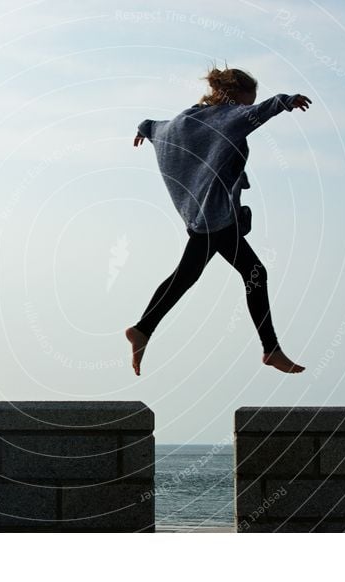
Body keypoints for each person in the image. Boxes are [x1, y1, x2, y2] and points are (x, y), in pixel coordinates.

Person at [125, 64, 311, 375]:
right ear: (231, 96)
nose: (247, 111)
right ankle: (271, 350)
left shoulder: (188, 120)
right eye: (245, 103)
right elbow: (261, 112)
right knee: (254, 272)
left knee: (186, 276)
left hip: (200, 214)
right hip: (216, 217)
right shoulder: (229, 117)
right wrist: (285, 100)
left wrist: (144, 128)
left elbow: (157, 126)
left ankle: (143, 329)